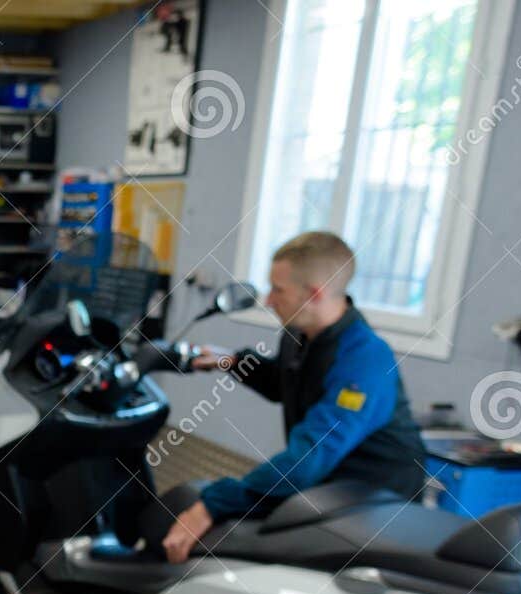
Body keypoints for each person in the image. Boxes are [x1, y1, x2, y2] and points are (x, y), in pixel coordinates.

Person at [161, 231, 427, 564]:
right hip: (324, 486)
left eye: (278, 290)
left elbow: (310, 456)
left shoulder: (366, 359)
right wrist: (230, 360)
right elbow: (283, 382)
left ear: (314, 293)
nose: (268, 300)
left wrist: (212, 504)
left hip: (376, 503)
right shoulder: (299, 334)